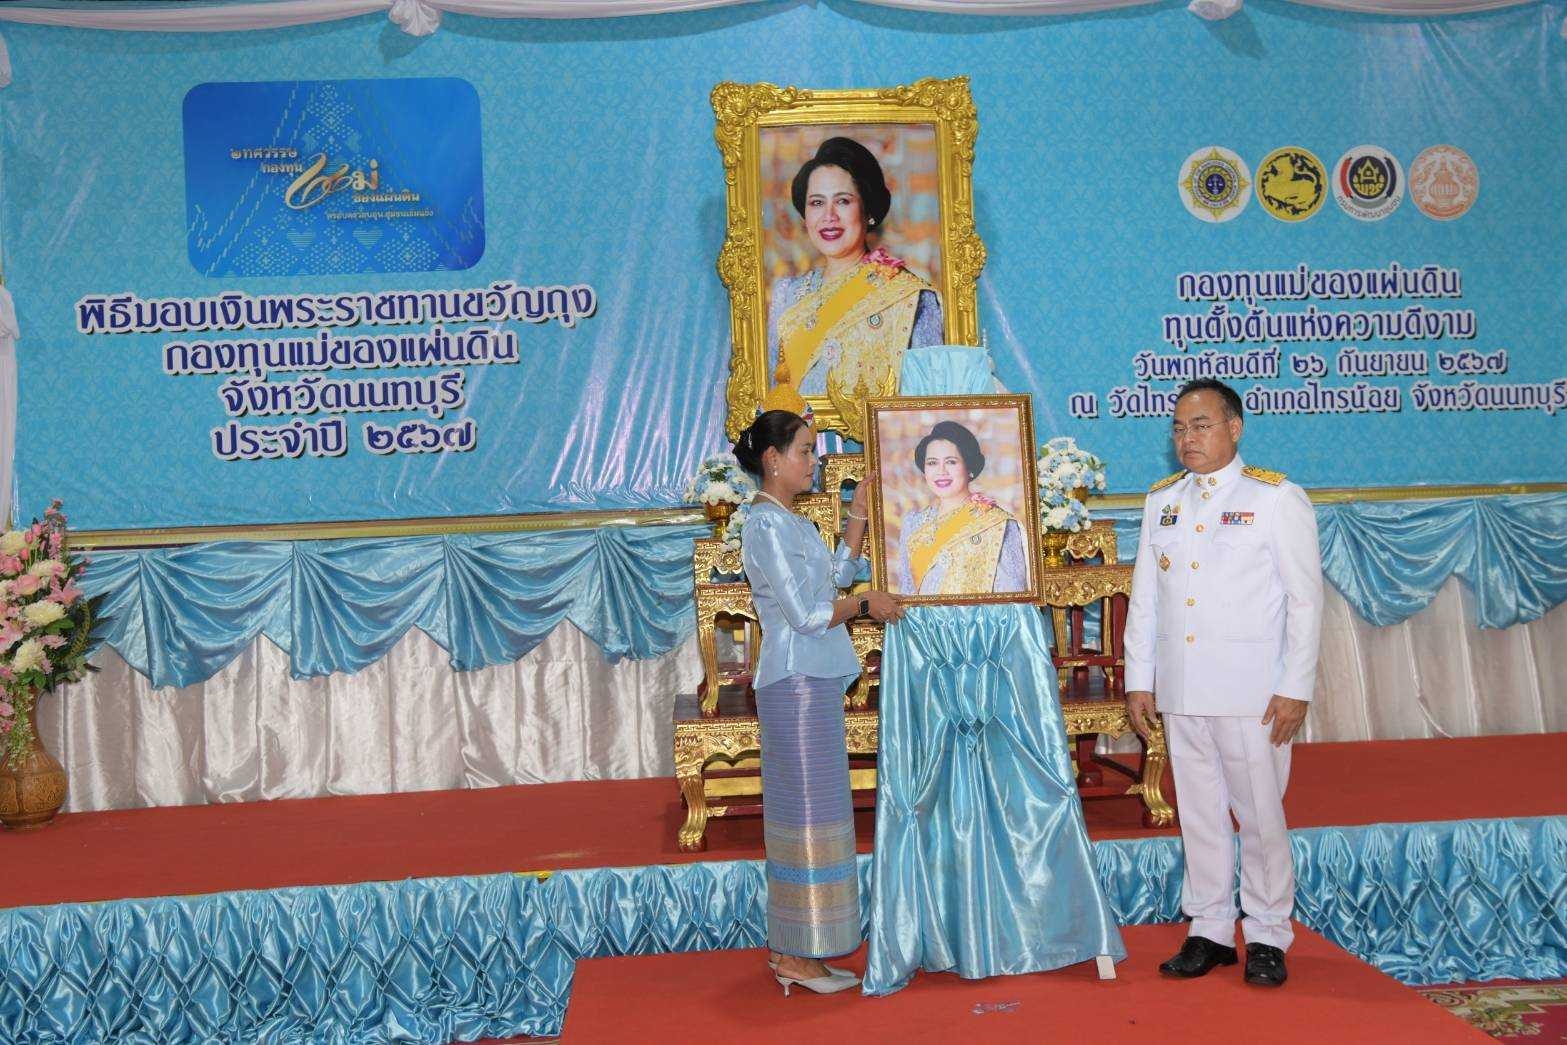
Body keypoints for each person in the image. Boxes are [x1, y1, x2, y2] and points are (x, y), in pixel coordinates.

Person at [1123, 377, 1324, 989]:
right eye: (1180, 428)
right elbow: (1146, 600)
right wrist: (1140, 679)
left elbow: (1305, 602)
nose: (1188, 438)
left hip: (1251, 693)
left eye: (1202, 425)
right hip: (1182, 690)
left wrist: (1295, 687)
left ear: (1234, 428)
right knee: (1200, 815)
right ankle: (1209, 928)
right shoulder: (1163, 502)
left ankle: (1266, 933)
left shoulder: (1276, 498)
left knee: (1260, 816)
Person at [734, 408, 904, 995]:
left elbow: (831, 576)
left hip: (815, 682)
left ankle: (803, 948)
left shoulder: (793, 521)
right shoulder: (763, 526)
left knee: (819, 817)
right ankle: (795, 955)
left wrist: (858, 512)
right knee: (805, 820)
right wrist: (865, 605)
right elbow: (808, 616)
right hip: (794, 681)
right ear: (772, 460)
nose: (814, 461)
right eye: (805, 451)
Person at [763, 136, 943, 424]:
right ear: (805, 215)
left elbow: (930, 404)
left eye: (843, 201)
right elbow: (775, 397)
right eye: (817, 203)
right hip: (802, 459)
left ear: (868, 211)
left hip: (884, 456)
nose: (829, 216)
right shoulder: (787, 295)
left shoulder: (909, 296)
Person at [893, 420, 1028, 596]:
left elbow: (1013, 596)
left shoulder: (996, 523)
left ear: (969, 467)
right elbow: (908, 593)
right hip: (925, 623)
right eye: (932, 463)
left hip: (980, 623)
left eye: (951, 462)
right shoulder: (913, 524)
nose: (941, 471)